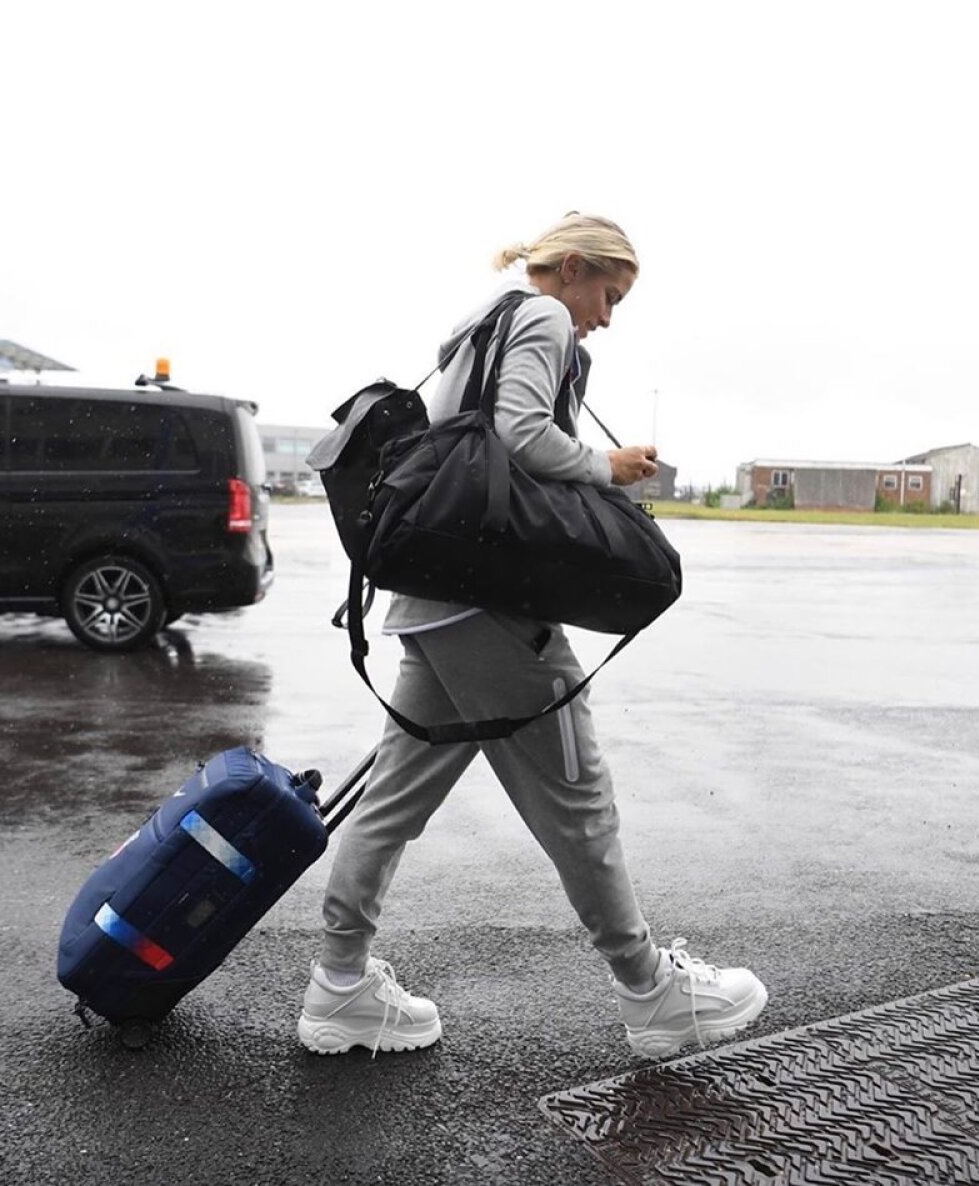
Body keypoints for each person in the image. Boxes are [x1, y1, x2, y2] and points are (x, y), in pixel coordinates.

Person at [298, 213, 767, 1058]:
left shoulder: (483, 320)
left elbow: (482, 442)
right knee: (579, 802)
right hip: (488, 609)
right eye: (609, 295)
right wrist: (607, 469)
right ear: (576, 268)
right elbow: (518, 433)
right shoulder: (544, 316)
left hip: (434, 601)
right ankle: (651, 993)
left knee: (393, 803)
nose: (606, 318)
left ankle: (339, 986)